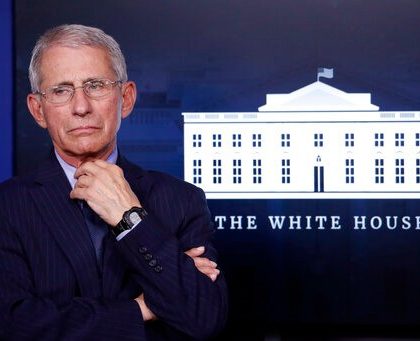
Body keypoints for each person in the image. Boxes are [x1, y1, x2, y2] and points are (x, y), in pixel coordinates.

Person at [0, 24, 227, 340]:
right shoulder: (7, 207)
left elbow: (203, 316)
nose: (81, 107)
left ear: (127, 97)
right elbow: (13, 325)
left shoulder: (182, 200)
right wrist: (140, 310)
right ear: (38, 110)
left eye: (95, 85)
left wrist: (130, 219)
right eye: (61, 90)